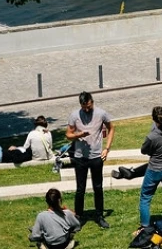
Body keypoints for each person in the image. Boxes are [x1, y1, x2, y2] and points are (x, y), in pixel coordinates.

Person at [65, 90, 114, 228]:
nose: (86, 109)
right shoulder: (74, 115)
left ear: (92, 102)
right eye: (84, 107)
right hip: (80, 157)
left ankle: (99, 215)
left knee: (98, 187)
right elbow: (68, 134)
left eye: (88, 106)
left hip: (96, 156)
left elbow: (111, 129)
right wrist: (78, 134)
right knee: (80, 189)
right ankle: (79, 217)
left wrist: (107, 148)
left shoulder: (101, 113)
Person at [138, 106, 162, 232]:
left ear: (153, 118)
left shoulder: (152, 136)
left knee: (145, 198)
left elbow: (143, 150)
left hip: (155, 169)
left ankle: (145, 226)